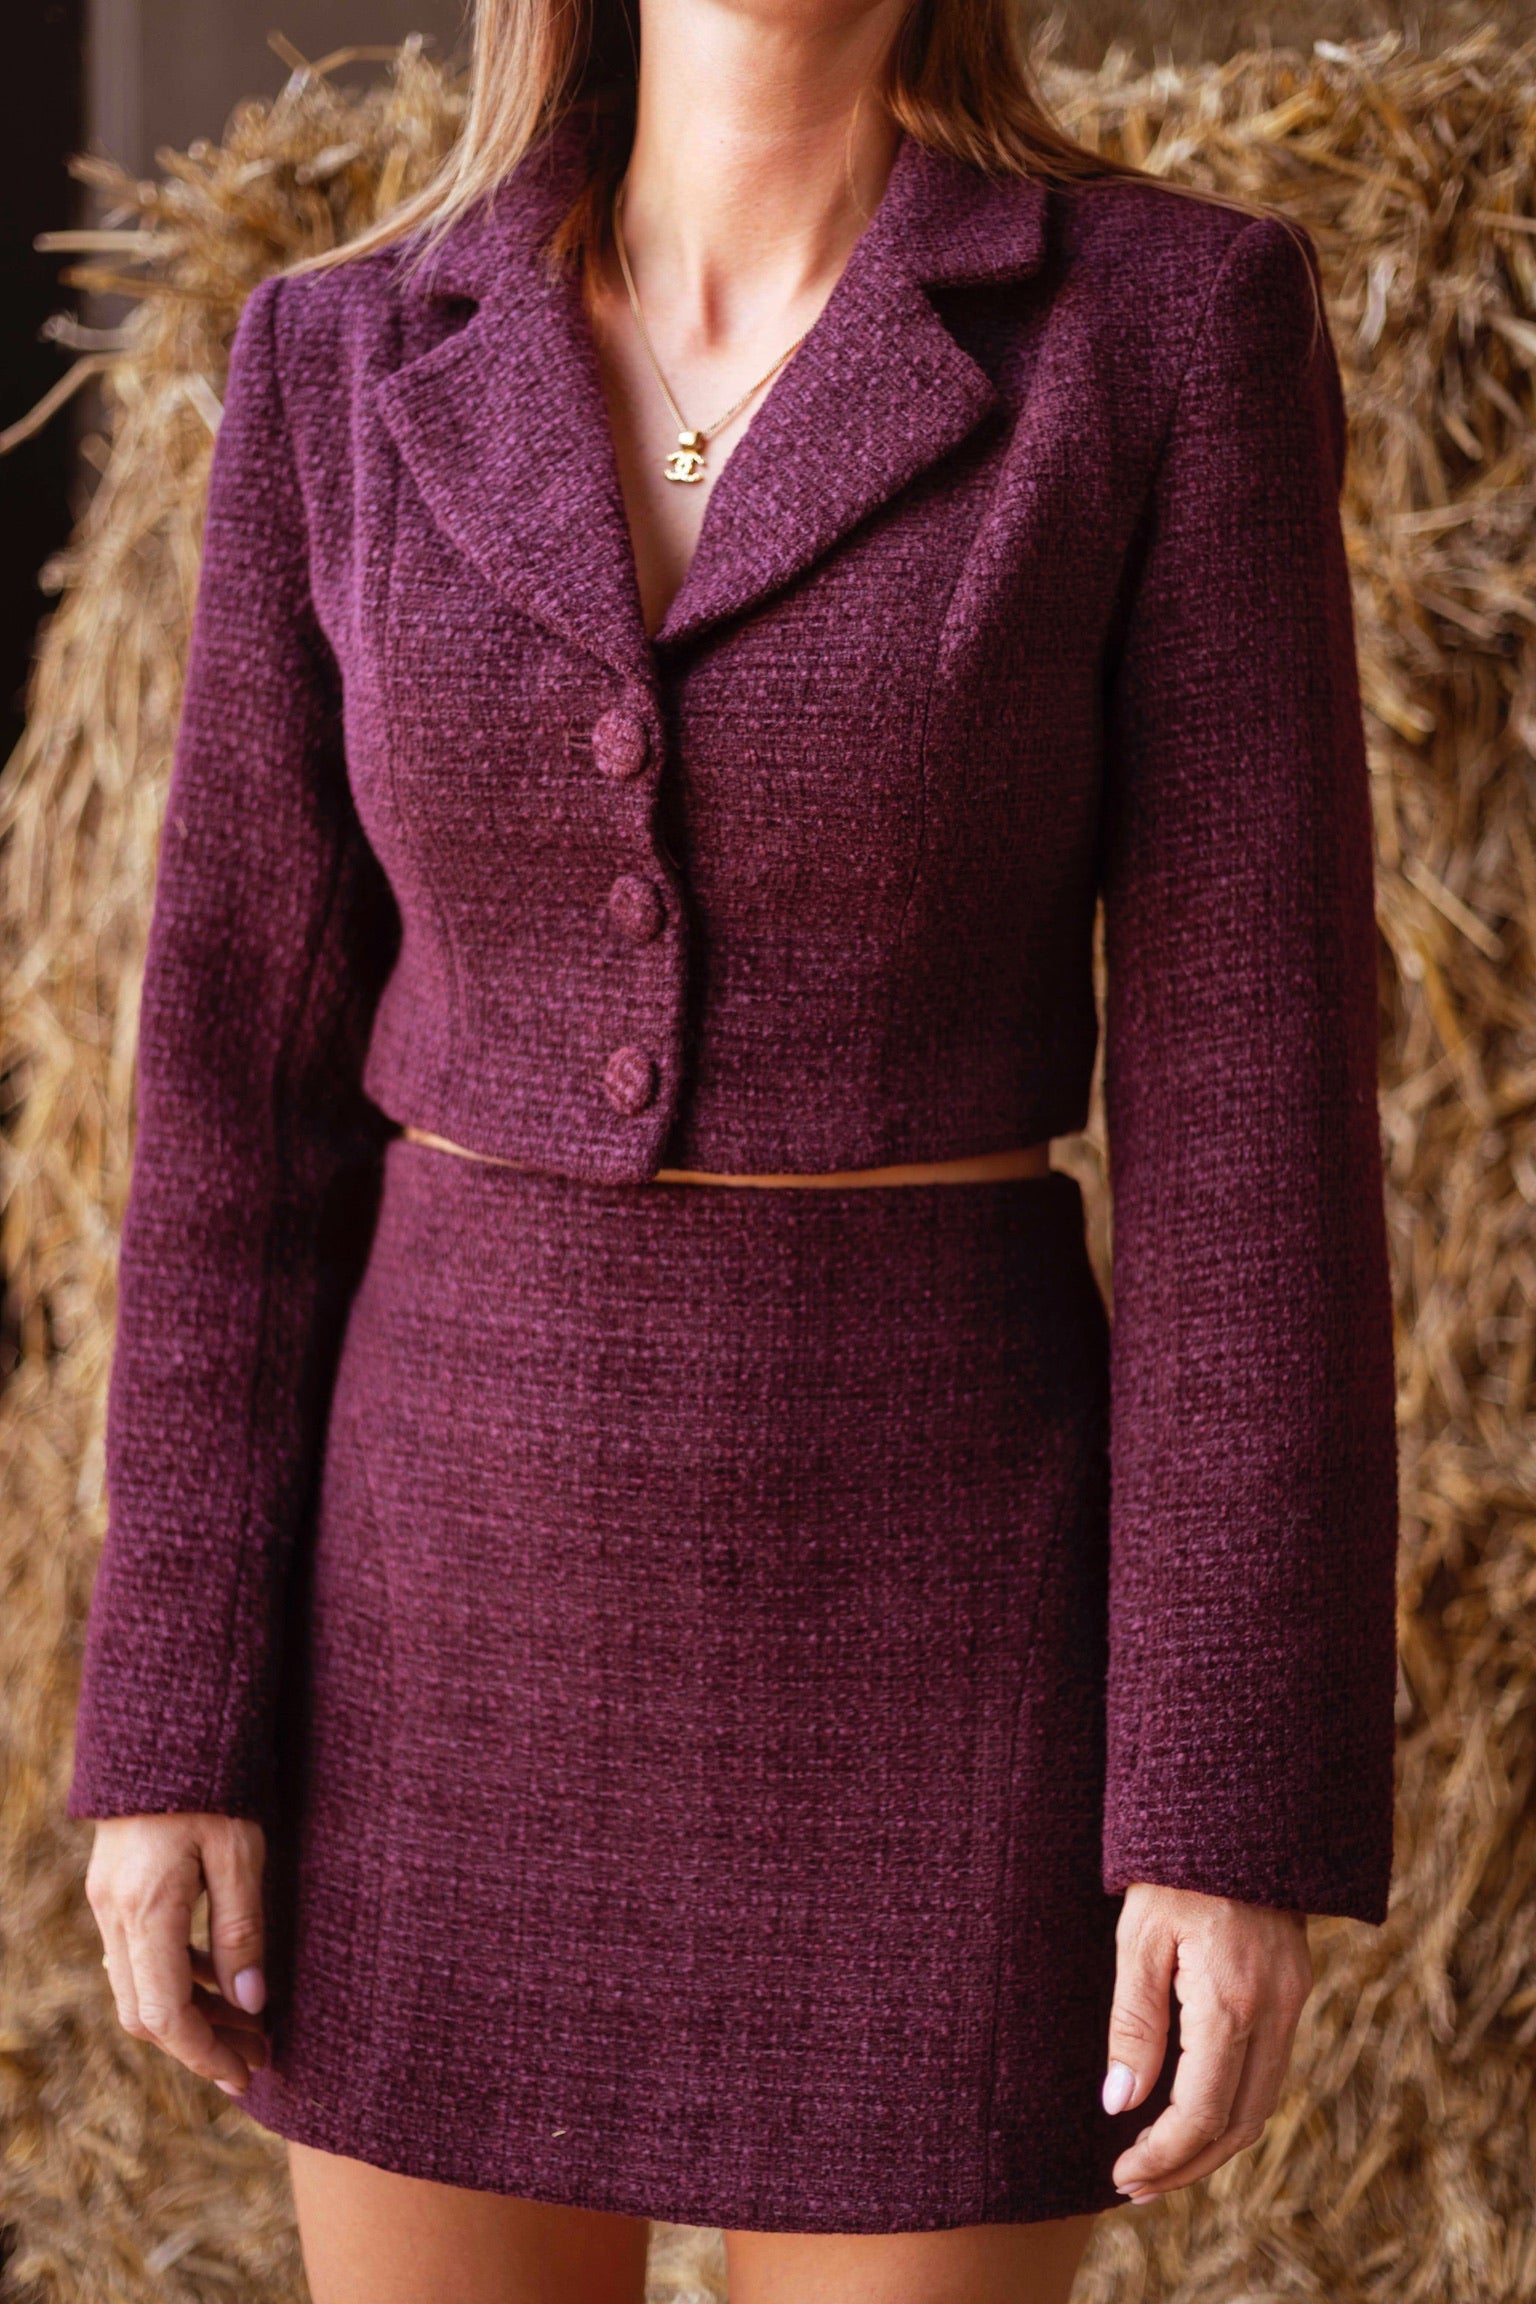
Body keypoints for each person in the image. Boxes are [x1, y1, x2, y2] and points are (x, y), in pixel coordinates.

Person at [65, 2, 1402, 2299]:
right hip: (432, 1651)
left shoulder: (1168, 328)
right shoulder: (335, 356)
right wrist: (170, 1718)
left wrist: (1224, 1799)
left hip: (943, 1633)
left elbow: (1250, 1132)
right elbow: (228, 1104)